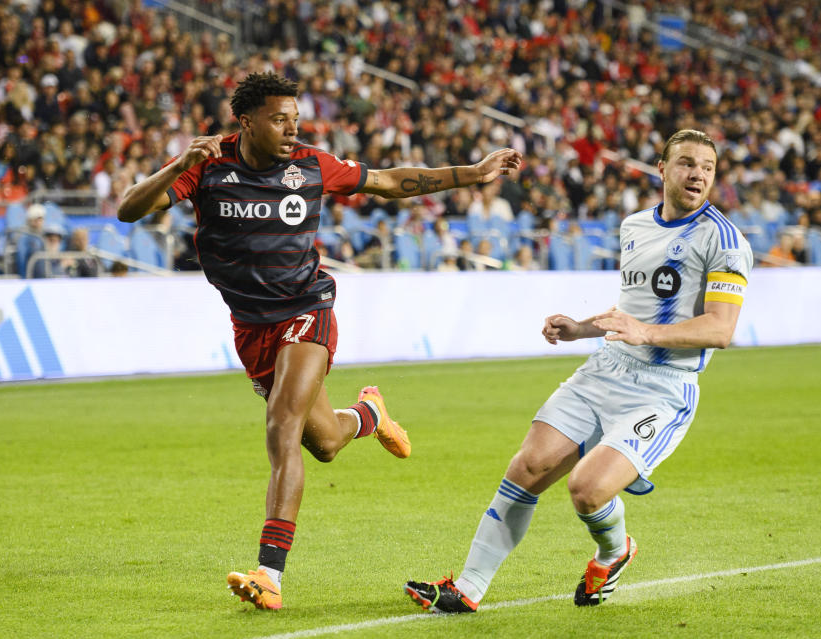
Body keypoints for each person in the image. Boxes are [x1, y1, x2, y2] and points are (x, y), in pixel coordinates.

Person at [117, 72, 523, 611]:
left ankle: (269, 573)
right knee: (325, 443)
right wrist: (178, 165)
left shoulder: (311, 164)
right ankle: (370, 415)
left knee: (282, 423)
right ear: (246, 122)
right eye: (279, 120)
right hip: (251, 326)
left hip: (307, 309)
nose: (291, 130)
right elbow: (127, 210)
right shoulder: (208, 167)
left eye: (295, 120)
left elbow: (388, 180)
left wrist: (471, 174)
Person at [404, 129, 753, 612]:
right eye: (687, 162)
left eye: (707, 167)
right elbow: (629, 311)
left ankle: (615, 551)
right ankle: (467, 587)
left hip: (662, 389)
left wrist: (646, 333)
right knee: (527, 467)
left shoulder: (726, 241)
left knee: (586, 490)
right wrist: (580, 329)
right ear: (662, 168)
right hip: (606, 368)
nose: (697, 173)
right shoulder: (635, 226)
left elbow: (720, 328)